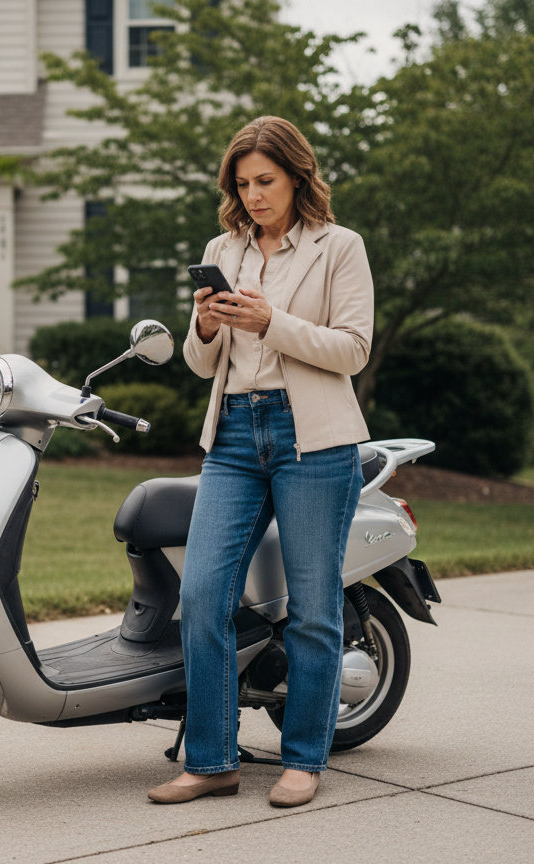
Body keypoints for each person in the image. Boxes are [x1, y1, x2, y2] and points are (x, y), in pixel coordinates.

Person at [147, 116, 374, 806]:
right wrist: (209, 323)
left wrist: (270, 321)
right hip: (236, 439)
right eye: (242, 184)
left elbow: (352, 350)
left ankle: (304, 759)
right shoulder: (225, 247)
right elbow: (199, 362)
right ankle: (212, 760)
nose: (253, 196)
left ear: (297, 176)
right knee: (202, 596)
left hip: (315, 440)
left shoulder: (340, 247)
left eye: (265, 181)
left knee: (311, 609)